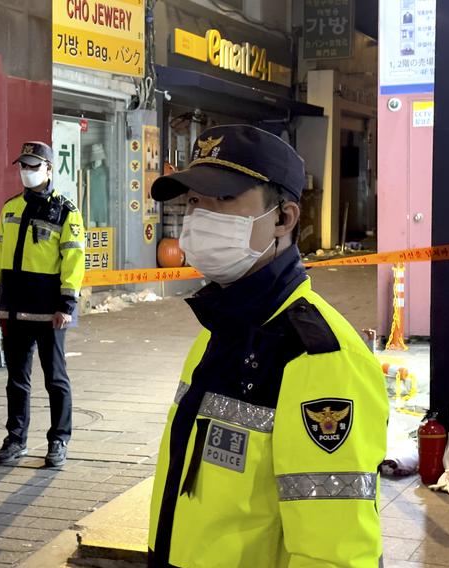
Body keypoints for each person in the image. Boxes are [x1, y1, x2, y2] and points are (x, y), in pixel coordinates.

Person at [146, 125, 388, 567]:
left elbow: (334, 552)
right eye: (195, 201)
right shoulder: (220, 328)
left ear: (284, 218)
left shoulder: (320, 356)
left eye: (224, 199)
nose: (200, 216)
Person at [0, 141, 85, 467]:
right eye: (23, 166)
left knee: (55, 379)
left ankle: (59, 440)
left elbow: (74, 261)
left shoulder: (67, 212)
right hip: (13, 308)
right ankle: (16, 439)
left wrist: (67, 304)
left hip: (49, 311)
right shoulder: (10, 208)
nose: (26, 172)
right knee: (16, 379)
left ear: (49, 169)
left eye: (33, 166)